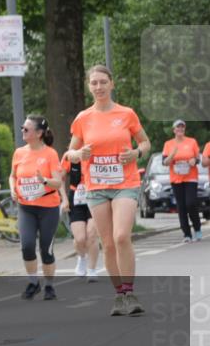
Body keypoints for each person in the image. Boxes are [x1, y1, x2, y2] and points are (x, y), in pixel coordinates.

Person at [67, 65, 151, 317]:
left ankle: (130, 291)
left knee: (121, 236)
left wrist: (135, 153)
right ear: (89, 86)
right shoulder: (83, 118)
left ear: (112, 84)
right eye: (94, 83)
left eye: (103, 82)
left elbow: (145, 143)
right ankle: (119, 295)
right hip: (96, 187)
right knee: (107, 243)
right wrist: (78, 154)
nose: (99, 87)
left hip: (125, 183)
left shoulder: (126, 114)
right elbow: (69, 152)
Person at [9, 116, 63, 301]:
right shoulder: (19, 153)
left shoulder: (50, 154)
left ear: (39, 133)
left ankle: (49, 285)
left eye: (26, 129)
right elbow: (12, 176)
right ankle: (33, 282)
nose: (22, 131)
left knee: (46, 249)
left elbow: (57, 182)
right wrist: (12, 189)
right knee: (27, 246)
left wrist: (44, 180)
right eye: (22, 128)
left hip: (48, 207)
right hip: (26, 207)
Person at [61, 152, 101, 281]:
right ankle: (82, 258)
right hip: (77, 198)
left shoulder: (97, 152)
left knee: (91, 235)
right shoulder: (70, 155)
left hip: (96, 196)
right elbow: (59, 178)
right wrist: (64, 199)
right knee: (80, 238)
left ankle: (92, 269)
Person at [163, 119, 201, 242]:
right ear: (174, 130)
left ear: (184, 129)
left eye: (182, 127)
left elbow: (198, 159)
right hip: (176, 179)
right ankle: (187, 234)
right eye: (178, 127)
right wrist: (172, 155)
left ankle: (197, 228)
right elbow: (164, 162)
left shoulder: (192, 142)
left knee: (191, 203)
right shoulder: (168, 144)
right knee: (181, 206)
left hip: (191, 177)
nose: (180, 129)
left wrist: (194, 161)